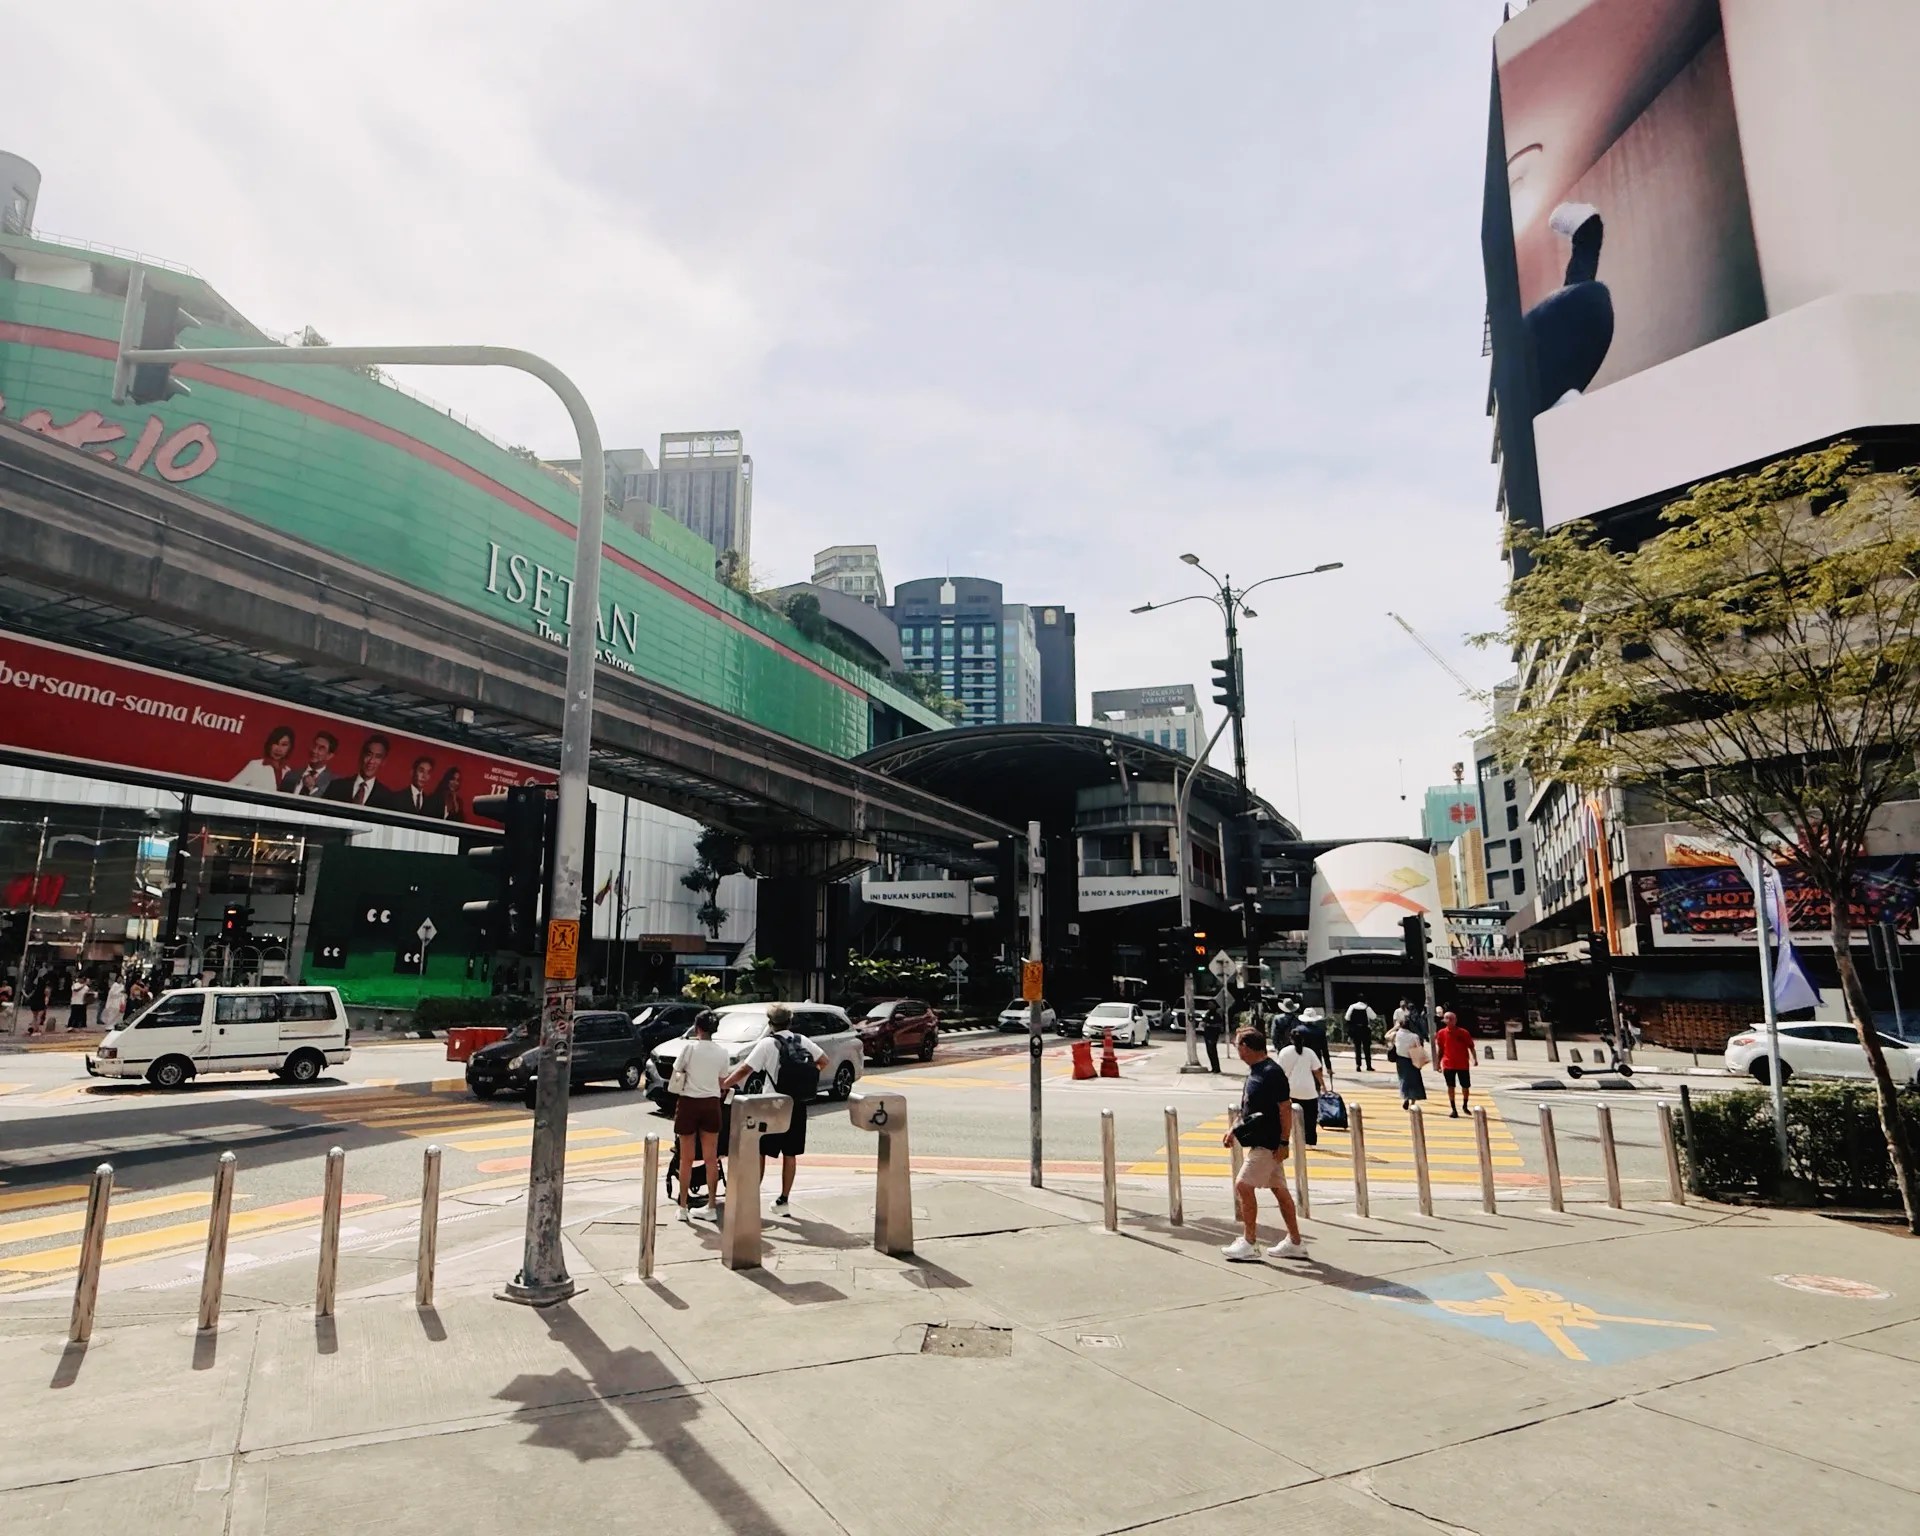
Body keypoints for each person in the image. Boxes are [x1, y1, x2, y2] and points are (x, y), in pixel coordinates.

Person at [723, 1003, 825, 1211]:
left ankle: (751, 1196)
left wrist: (724, 1084)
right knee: (790, 1153)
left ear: (770, 1023)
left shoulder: (767, 1044)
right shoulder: (802, 1040)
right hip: (797, 1103)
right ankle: (783, 1200)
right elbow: (824, 1061)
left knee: (760, 1150)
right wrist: (804, 1078)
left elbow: (746, 1069)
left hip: (771, 1104)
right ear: (789, 1021)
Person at [1220, 1027, 1305, 1261]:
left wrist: (1283, 1141)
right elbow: (1249, 1108)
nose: (1237, 1050)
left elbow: (1284, 1108)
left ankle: (1249, 1242)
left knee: (1243, 1186)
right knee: (1279, 1190)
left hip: (1269, 1143)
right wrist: (1233, 1130)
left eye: (1237, 1045)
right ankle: (1295, 1242)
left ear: (1246, 1047)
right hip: (1263, 1142)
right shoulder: (1256, 1072)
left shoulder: (1271, 1072)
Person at [668, 1011, 730, 1223]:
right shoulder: (723, 1052)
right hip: (711, 1104)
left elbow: (677, 1071)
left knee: (686, 1158)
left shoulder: (689, 1048)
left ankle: (683, 1206)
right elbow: (723, 1082)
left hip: (688, 1103)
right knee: (711, 1158)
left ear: (697, 1028)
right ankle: (711, 1205)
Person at [1275, 1024, 1328, 1149]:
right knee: (1310, 1119)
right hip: (1308, 1091)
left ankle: (1293, 1139)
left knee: (1290, 1117)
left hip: (1291, 1090)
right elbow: (1317, 1071)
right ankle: (1310, 1142)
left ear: (1290, 1039)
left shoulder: (1284, 1052)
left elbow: (1280, 1072)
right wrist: (1323, 1086)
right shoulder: (1309, 1052)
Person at [324, 734, 391, 806]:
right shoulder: (336, 786)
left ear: (383, 762)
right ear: (362, 755)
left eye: (377, 757)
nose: (371, 761)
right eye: (369, 754)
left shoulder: (387, 797)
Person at [230, 725, 295, 793]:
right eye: (276, 743)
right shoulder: (255, 766)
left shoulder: (289, 772)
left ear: (290, 747)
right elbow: (230, 788)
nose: (278, 749)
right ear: (270, 744)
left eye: (284, 745)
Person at [1435, 1010, 1474, 1118]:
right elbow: (1441, 1049)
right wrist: (1438, 1063)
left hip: (1463, 1064)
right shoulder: (1441, 1033)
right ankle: (1453, 1109)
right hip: (1448, 1064)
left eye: (1451, 1019)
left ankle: (1465, 1105)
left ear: (1455, 1020)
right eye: (1446, 1018)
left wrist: (1474, 1059)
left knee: (1465, 1086)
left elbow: (1471, 1046)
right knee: (1450, 1086)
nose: (1449, 1021)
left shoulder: (1463, 1032)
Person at [1393, 1008, 1429, 1110]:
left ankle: (1405, 1097)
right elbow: (1418, 1048)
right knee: (1415, 1081)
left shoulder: (1397, 1034)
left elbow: (1387, 1036)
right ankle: (1413, 1102)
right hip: (1412, 1060)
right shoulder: (1414, 1036)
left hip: (1401, 1060)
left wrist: (1395, 1028)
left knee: (1403, 1079)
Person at [283, 731, 339, 797]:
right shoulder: (291, 775)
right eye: (314, 745)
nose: (314, 751)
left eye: (321, 748)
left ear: (329, 755)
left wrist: (312, 789)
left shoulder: (334, 783)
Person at [1296, 1007, 1333, 1078]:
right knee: (1317, 1082)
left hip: (1301, 1060)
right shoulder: (1320, 1031)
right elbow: (1325, 1050)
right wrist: (1328, 1067)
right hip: (1316, 1060)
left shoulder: (1298, 1030)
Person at [1344, 999, 1374, 1071]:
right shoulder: (1367, 1008)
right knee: (1367, 1048)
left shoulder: (1352, 1007)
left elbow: (1347, 1017)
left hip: (1355, 1029)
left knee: (1357, 1048)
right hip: (1365, 1029)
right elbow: (1374, 1016)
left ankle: (1358, 1065)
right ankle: (1368, 1066)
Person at [1200, 1004, 1224, 1074]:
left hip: (1213, 1035)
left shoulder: (1217, 1015)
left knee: (1213, 1050)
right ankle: (1213, 1067)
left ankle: (1217, 1068)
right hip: (1207, 1034)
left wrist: (1209, 1025)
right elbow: (1204, 1021)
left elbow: (1219, 1025)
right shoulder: (1207, 1014)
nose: (1209, 1006)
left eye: (1211, 1004)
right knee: (1209, 1051)